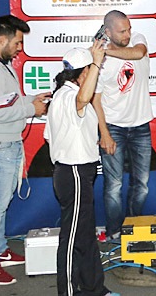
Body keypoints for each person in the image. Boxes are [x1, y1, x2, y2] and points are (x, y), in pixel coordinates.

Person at [46, 42, 116, 296]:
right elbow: (83, 98)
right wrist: (97, 62)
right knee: (72, 237)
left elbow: (51, 136)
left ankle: (94, 288)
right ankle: (68, 293)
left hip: (80, 172)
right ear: (84, 73)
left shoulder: (65, 97)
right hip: (72, 172)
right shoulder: (68, 97)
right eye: (92, 70)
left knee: (85, 234)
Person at [92, 10, 153, 241]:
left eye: (128, 28)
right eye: (121, 31)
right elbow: (95, 100)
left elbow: (138, 53)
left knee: (143, 184)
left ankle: (133, 227)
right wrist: (104, 133)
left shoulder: (137, 39)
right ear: (107, 31)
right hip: (114, 126)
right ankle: (115, 231)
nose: (127, 34)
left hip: (141, 126)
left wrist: (103, 51)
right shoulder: (100, 63)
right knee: (114, 185)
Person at [0, 15, 43, 285]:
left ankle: (0, 249)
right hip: (1, 145)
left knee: (1, 205)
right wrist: (31, 109)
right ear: (1, 40)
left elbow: (8, 102)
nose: (19, 48)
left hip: (9, 144)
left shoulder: (5, 66)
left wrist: (30, 101)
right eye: (16, 42)